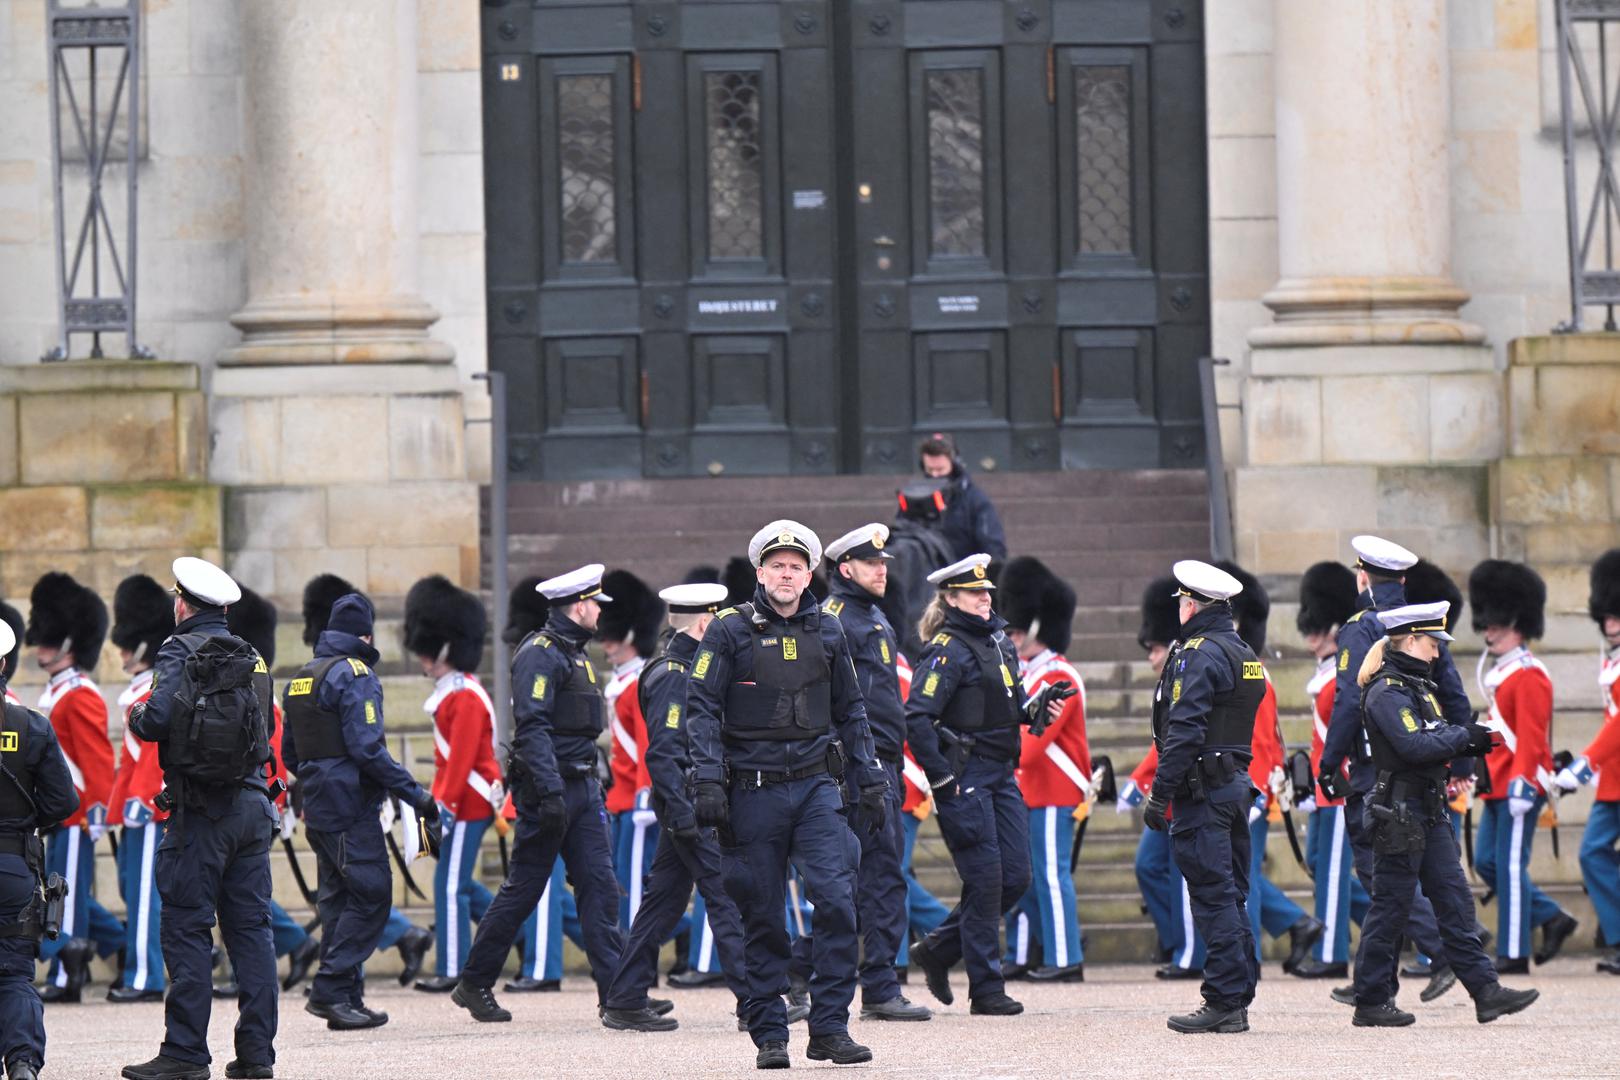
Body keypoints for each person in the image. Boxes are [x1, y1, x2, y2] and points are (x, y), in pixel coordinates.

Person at [685, 521, 889, 1069]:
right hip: (752, 794)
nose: (786, 574)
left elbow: (852, 709)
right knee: (763, 915)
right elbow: (699, 707)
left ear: (808, 575)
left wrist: (869, 777)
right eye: (776, 565)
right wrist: (706, 777)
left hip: (817, 788)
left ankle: (829, 1028)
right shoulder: (727, 631)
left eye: (796, 566)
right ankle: (771, 1032)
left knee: (840, 902)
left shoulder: (828, 630)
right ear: (759, 572)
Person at [1346, 601, 1539, 1027]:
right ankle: (1372, 999)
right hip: (1399, 812)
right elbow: (1414, 746)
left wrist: (1467, 741)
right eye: (1432, 644)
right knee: (1391, 909)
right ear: (1411, 640)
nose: (1437, 653)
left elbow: (1434, 736)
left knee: (1454, 902)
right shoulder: (1387, 691)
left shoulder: (1417, 687)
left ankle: (1485, 991)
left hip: (1426, 809)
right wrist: (1464, 737)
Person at [121, 557, 278, 1080]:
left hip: (201, 812)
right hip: (254, 807)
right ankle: (257, 1055)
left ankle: (186, 1052)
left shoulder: (177, 649)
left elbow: (157, 718)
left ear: (182, 604)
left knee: (188, 928)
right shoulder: (253, 657)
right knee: (252, 933)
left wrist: (137, 715)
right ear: (226, 608)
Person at [452, 565, 629, 1024]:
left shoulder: (575, 654)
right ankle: (474, 981)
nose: (599, 613)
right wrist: (549, 792)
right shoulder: (541, 653)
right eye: (595, 605)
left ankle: (619, 997)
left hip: (582, 787)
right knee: (523, 890)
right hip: (552, 789)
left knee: (600, 889)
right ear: (579, 606)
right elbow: (532, 727)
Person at [601, 582, 775, 1032]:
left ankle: (625, 997)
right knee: (726, 897)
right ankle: (754, 1001)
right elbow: (663, 752)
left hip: (689, 805)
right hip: (691, 807)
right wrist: (683, 813)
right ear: (704, 624)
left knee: (663, 902)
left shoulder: (684, 668)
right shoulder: (676, 675)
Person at [905, 554, 1067, 1017]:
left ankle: (938, 949)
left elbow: (1003, 705)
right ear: (951, 598)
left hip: (1001, 774)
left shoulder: (999, 642)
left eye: (986, 591)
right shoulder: (947, 648)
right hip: (967, 777)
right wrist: (940, 777)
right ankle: (986, 987)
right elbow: (918, 716)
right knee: (987, 878)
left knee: (1016, 876)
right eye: (974, 593)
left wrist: (1033, 709)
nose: (984, 598)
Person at [1317, 537, 1470, 1005]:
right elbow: (1454, 694)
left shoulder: (1361, 626)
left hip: (1373, 769)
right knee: (1407, 872)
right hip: (1423, 762)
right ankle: (1376, 977)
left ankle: (1435, 955)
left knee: (1378, 873)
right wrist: (1462, 763)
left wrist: (1328, 762)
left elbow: (1347, 701)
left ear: (1362, 576)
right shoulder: (1420, 625)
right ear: (1402, 580)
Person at [281, 590, 438, 1031]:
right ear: (365, 634)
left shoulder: (302, 677)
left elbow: (291, 754)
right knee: (372, 896)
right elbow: (368, 749)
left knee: (337, 903)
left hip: (318, 805)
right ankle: (330, 989)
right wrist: (415, 793)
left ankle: (346, 999)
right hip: (351, 805)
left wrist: (321, 775)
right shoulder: (356, 674)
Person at [1141, 561, 1262, 1035]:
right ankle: (1238, 993)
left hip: (1203, 791)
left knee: (1213, 897)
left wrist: (1160, 793)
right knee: (1232, 895)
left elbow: (1184, 730)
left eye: (1182, 602)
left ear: (1192, 604)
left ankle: (1224, 999)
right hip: (1233, 785)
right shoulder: (1242, 651)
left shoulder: (1197, 653)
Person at [820, 524, 932, 1021]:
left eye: (884, 562)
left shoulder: (871, 617)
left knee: (882, 876)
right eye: (871, 564)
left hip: (882, 761)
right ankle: (873, 985)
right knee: (860, 878)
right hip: (853, 764)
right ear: (846, 569)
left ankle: (874, 983)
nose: (883, 570)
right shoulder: (838, 620)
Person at [1467, 559, 1577, 972]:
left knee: (1511, 865)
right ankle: (1550, 916)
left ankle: (1514, 953)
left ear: (1517, 621)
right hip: (1498, 782)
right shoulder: (1502, 672)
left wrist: (1521, 783)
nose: (1488, 630)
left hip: (1519, 785)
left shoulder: (1530, 674)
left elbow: (1531, 737)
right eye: (1487, 622)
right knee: (1488, 863)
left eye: (1496, 623)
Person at [1216, 561, 1324, 976]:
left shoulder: (1249, 669)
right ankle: (1296, 925)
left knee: (1243, 875)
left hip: (1250, 789)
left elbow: (1261, 742)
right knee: (1241, 873)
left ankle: (1252, 957)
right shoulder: (1235, 665)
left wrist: (1255, 792)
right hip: (1243, 786)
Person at [400, 575, 503, 995]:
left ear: (446, 647)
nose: (423, 658)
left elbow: (460, 763)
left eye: (429, 650)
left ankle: (454, 967)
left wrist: (440, 807)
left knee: (450, 885)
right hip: (462, 797)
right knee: (459, 883)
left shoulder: (463, 695)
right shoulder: (453, 691)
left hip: (470, 801)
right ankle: (514, 933)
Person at [26, 572, 121, 1003]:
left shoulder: (80, 693)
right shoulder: (57, 690)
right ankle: (122, 945)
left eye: (49, 638)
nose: (40, 646)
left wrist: (98, 812)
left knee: (63, 896)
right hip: (59, 811)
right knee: (68, 892)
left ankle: (66, 977)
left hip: (78, 811)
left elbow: (97, 761)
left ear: (68, 641)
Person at [224, 587, 321, 994]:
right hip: (246, 803)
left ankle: (260, 964)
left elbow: (274, 758)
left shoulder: (263, 696)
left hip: (257, 803)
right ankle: (297, 944)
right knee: (234, 890)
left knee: (242, 893)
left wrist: (274, 804)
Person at [997, 556, 1089, 982]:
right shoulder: (1025, 674)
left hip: (1053, 788)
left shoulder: (1059, 676)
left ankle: (1065, 957)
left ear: (1036, 627)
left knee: (1051, 876)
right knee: (1021, 876)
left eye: (1016, 630)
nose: (1011, 637)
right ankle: (1022, 951)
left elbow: (1033, 745)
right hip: (1026, 789)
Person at [0, 611, 79, 1080]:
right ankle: (23, 1062)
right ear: (5, 662)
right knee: (13, 974)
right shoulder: (30, 726)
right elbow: (63, 801)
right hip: (12, 861)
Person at [1117, 577, 1205, 979]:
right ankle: (1178, 943)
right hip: (1169, 785)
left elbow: (1183, 735)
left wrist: (1144, 780)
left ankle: (1194, 953)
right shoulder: (1175, 670)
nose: (1151, 657)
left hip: (1190, 784)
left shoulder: (1192, 665)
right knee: (1151, 866)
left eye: (1155, 648)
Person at [1292, 561, 1370, 979]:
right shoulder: (1326, 671)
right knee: (1320, 861)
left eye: (1320, 626)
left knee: (1336, 868)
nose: (1312, 634)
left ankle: (1332, 953)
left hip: (1341, 784)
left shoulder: (1344, 669)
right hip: (1324, 785)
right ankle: (1399, 919)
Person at [104, 575, 174, 1003]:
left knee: (146, 894)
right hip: (134, 804)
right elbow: (128, 758)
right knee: (133, 886)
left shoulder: (156, 686)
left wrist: (141, 800)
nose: (124, 653)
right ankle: (142, 966)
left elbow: (152, 754)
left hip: (149, 807)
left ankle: (145, 976)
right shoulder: (139, 688)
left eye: (130, 645)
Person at [1552, 548, 1620, 974]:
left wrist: (1587, 761)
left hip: (1608, 769)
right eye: (1607, 617)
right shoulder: (1610, 660)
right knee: (1593, 853)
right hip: (1613, 778)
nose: (1611, 624)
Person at [598, 571, 665, 933]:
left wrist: (644, 794)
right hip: (618, 798)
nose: (606, 641)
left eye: (613, 633)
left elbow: (647, 746)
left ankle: (635, 957)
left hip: (636, 799)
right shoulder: (621, 681)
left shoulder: (640, 681)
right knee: (621, 883)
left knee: (634, 884)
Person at [917, 433, 1007, 564]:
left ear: (955, 464)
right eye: (930, 470)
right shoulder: (914, 499)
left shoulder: (975, 500)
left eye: (940, 470)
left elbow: (993, 547)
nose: (935, 476)